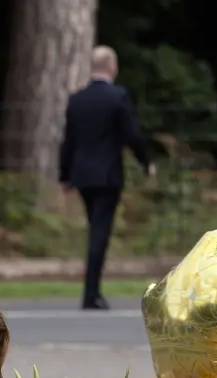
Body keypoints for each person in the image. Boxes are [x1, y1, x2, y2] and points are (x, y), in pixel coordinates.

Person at [60, 45, 152, 311]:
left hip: (82, 175)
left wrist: (64, 176)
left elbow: (69, 142)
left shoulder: (77, 100)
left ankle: (92, 291)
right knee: (100, 233)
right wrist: (145, 161)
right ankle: (91, 294)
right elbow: (131, 134)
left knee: (95, 229)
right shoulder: (118, 97)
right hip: (108, 174)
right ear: (113, 67)